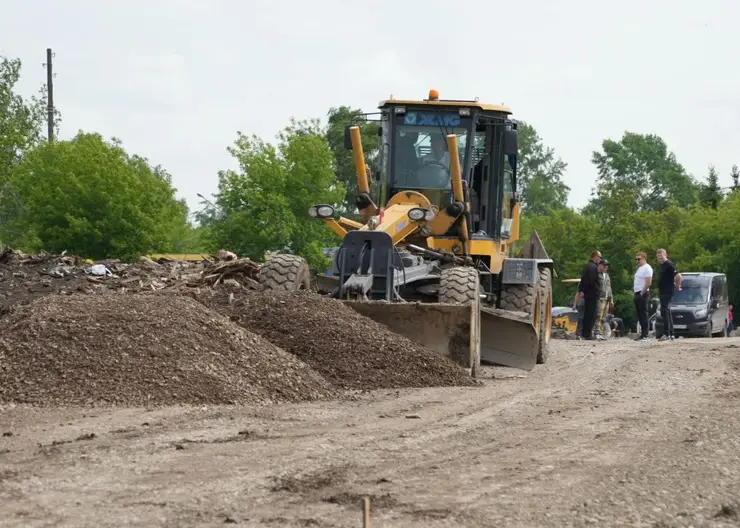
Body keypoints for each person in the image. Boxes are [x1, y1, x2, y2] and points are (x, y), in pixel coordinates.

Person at [655, 248, 682, 341]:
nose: (660, 258)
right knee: (667, 311)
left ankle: (666, 333)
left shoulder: (669, 264)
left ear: (665, 255)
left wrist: (677, 286)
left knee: (664, 311)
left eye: (661, 255)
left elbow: (678, 275)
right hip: (662, 291)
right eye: (658, 256)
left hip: (667, 291)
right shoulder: (661, 265)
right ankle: (671, 333)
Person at [579, 250, 602, 340]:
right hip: (592, 293)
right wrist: (595, 290)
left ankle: (585, 333)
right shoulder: (593, 267)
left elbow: (583, 279)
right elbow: (591, 281)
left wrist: (582, 290)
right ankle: (587, 334)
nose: (600, 259)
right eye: (599, 257)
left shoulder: (587, 266)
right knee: (592, 314)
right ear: (595, 256)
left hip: (588, 294)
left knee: (587, 313)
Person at [633, 251, 653, 341]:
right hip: (637, 292)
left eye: (639, 259)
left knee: (644, 314)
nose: (637, 261)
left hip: (643, 293)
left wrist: (641, 293)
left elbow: (648, 282)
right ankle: (642, 333)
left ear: (644, 258)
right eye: (636, 259)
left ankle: (645, 334)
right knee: (639, 314)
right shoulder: (640, 268)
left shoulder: (647, 268)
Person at [594, 258, 613, 340]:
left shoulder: (607, 276)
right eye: (604, 265)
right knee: (598, 315)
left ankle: (600, 332)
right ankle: (596, 332)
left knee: (604, 317)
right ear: (600, 265)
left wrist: (611, 299)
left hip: (607, 299)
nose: (605, 267)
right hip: (600, 298)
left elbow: (609, 288)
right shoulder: (597, 275)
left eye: (606, 266)